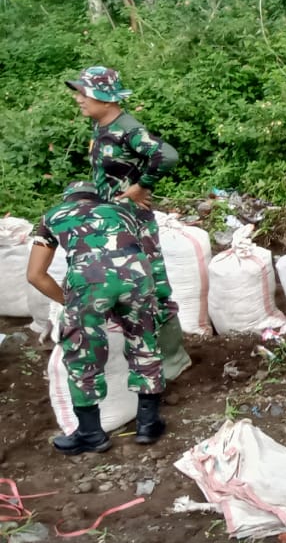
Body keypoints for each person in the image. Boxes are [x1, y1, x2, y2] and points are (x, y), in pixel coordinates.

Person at [67, 66, 189, 379]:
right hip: (113, 223)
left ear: (106, 98)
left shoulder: (128, 129)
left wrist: (141, 186)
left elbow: (167, 155)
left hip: (135, 223)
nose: (78, 98)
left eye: (84, 93)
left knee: (153, 286)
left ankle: (174, 360)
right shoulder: (100, 126)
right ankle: (142, 353)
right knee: (125, 290)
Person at [26, 182, 166, 454]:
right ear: (97, 198)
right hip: (138, 275)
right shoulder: (122, 212)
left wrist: (68, 302)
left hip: (89, 279)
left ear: (68, 199)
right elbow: (146, 251)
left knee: (83, 353)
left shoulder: (52, 216)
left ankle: (91, 434)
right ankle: (148, 425)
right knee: (144, 344)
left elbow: (35, 275)